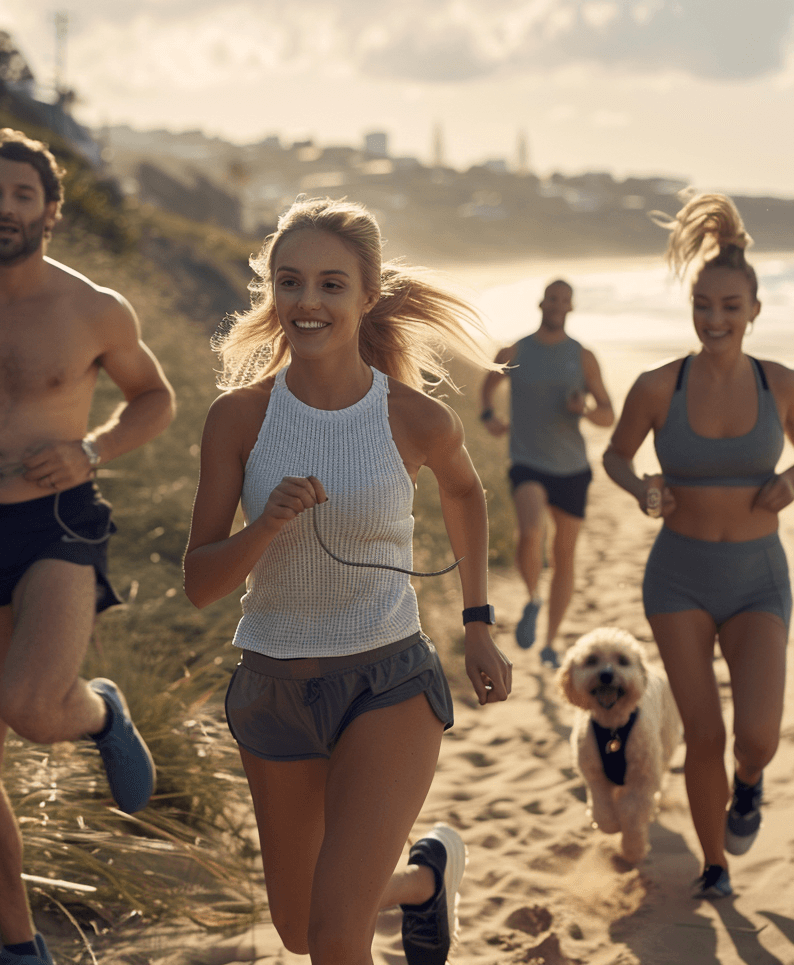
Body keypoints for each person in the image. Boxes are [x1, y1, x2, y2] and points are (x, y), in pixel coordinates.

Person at [183, 197, 512, 964]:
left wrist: (478, 624)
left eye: (332, 285)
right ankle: (425, 883)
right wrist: (264, 527)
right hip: (272, 691)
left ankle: (402, 889)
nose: (307, 301)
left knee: (335, 937)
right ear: (271, 293)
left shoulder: (413, 417)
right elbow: (200, 582)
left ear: (368, 299)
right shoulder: (238, 418)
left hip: (386, 684)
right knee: (302, 932)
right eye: (290, 282)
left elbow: (465, 492)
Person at [0, 129, 175, 964]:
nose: (6, 209)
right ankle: (22, 947)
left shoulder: (95, 307)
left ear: (50, 210)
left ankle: (99, 712)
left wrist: (91, 450)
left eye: (23, 195)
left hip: (58, 520)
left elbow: (153, 400)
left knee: (30, 705)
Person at [602, 192, 793, 899]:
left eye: (729, 307)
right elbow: (616, 457)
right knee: (704, 734)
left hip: (758, 580)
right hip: (677, 578)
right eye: (702, 305)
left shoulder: (782, 385)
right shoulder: (658, 386)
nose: (715, 320)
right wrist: (643, 488)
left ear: (754, 311)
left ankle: (750, 786)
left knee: (759, 737)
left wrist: (792, 481)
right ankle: (715, 864)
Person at [479, 279, 614, 668]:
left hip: (572, 467)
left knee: (564, 556)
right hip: (527, 461)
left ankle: (551, 641)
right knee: (531, 530)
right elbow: (489, 383)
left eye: (564, 300)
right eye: (552, 298)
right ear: (542, 303)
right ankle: (533, 597)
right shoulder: (516, 350)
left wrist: (584, 410)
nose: (557, 305)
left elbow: (608, 414)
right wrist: (489, 415)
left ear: (570, 308)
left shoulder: (582, 356)